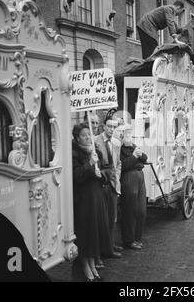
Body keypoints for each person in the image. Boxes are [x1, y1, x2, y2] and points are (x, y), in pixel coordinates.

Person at [72, 123, 110, 281]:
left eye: (89, 134)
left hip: (96, 197)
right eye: (83, 135)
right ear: (77, 138)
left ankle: (93, 263)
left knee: (95, 232)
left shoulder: (96, 152)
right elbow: (77, 176)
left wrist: (100, 174)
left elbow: (106, 172)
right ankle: (85, 266)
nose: (88, 137)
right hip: (84, 200)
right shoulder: (74, 154)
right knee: (86, 233)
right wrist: (89, 165)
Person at [94, 116, 123, 263]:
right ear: (103, 126)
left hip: (112, 184)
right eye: (109, 126)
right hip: (100, 185)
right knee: (101, 219)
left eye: (114, 127)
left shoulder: (117, 143)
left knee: (112, 217)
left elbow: (118, 163)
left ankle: (110, 246)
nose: (112, 129)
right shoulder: (95, 142)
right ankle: (100, 250)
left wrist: (116, 177)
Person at [120, 125, 148, 250]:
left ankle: (137, 237)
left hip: (139, 177)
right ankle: (129, 239)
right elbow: (123, 165)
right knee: (130, 209)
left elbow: (145, 158)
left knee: (141, 209)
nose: (129, 136)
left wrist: (139, 156)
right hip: (129, 178)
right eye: (126, 134)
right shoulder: (119, 148)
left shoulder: (134, 146)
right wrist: (135, 158)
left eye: (130, 134)